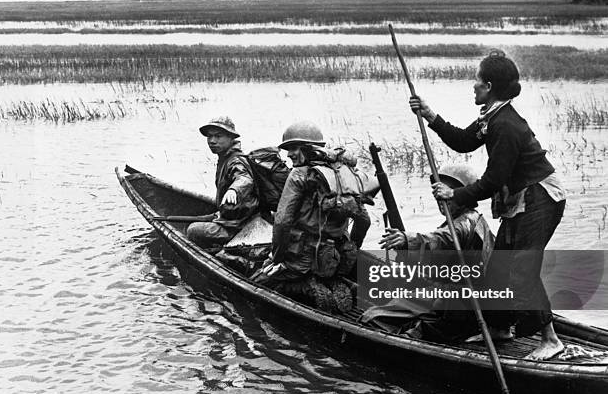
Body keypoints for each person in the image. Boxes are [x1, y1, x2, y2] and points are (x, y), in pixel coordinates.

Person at [409, 50, 566, 360]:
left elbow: (493, 181)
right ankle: (501, 326)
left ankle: (551, 339)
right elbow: (464, 141)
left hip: (540, 199)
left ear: (490, 86)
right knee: (497, 269)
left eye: (477, 81)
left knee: (522, 270)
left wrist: (454, 195)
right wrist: (430, 115)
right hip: (521, 198)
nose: (473, 86)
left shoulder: (506, 125)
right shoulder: (492, 117)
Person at [362, 165, 494, 343]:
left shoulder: (462, 224)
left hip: (456, 306)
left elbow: (440, 239)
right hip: (464, 300)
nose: (441, 201)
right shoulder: (475, 219)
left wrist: (407, 240)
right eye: (438, 196)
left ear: (462, 196)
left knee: (372, 317)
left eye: (446, 195)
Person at [255, 121, 365, 313]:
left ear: (308, 149)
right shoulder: (343, 174)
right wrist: (352, 247)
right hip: (338, 257)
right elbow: (365, 221)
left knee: (257, 281)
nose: (289, 154)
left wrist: (277, 258)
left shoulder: (299, 175)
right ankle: (337, 283)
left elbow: (282, 222)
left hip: (303, 260)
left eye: (293, 149)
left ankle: (307, 288)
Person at [187, 116, 259, 247]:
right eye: (209, 137)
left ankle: (215, 250)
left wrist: (234, 190)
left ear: (231, 138)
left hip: (238, 227)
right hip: (231, 219)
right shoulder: (224, 157)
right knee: (202, 218)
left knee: (192, 230)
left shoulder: (235, 160)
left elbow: (244, 178)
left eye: (218, 136)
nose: (212, 141)